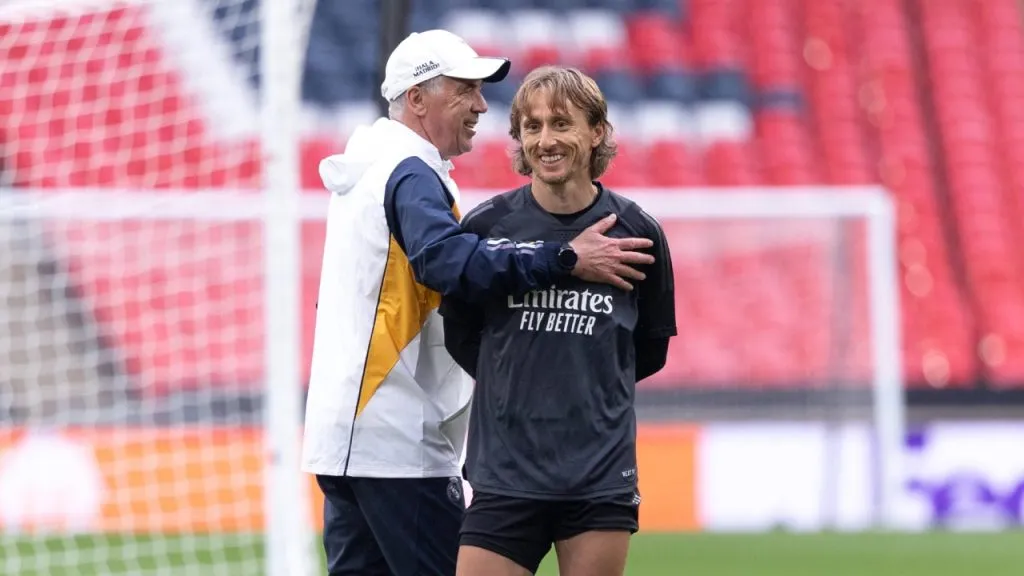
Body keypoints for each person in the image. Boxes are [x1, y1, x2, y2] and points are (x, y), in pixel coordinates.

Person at [300, 31, 659, 576]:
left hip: (344, 436)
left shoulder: (366, 166)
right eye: (465, 90)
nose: (480, 105)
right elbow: (446, 262)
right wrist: (562, 259)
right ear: (418, 99)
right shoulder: (408, 172)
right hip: (397, 441)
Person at [440, 65, 678, 576]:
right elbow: (459, 334)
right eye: (532, 126)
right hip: (504, 473)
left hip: (598, 477)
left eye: (561, 123)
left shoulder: (638, 232)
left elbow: (649, 349)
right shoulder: (486, 227)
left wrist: (584, 388)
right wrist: (515, 385)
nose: (545, 140)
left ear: (597, 133)